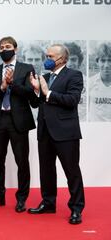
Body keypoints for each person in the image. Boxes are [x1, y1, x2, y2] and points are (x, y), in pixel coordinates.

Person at [28, 43, 85, 225]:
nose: (47, 59)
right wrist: (36, 90)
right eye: (47, 56)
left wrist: (48, 92)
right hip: (45, 131)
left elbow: (72, 100)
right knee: (46, 171)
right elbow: (37, 104)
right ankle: (48, 203)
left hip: (65, 133)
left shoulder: (74, 75)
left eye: (51, 57)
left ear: (62, 59)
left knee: (72, 171)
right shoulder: (44, 76)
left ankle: (76, 208)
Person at [0, 36, 37, 213]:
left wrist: (13, 84)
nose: (3, 49)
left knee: (22, 162)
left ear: (15, 48)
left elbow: (31, 93)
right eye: (1, 47)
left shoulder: (26, 69)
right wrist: (2, 86)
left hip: (18, 122)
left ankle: (21, 199)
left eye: (7, 46)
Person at [88, 42, 111, 121]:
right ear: (97, 62)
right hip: (95, 130)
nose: (107, 65)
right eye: (103, 60)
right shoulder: (90, 83)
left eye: (110, 60)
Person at [64, 42, 86, 121]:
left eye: (73, 59)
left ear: (79, 62)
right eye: (66, 60)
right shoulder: (54, 82)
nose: (69, 64)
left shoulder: (89, 82)